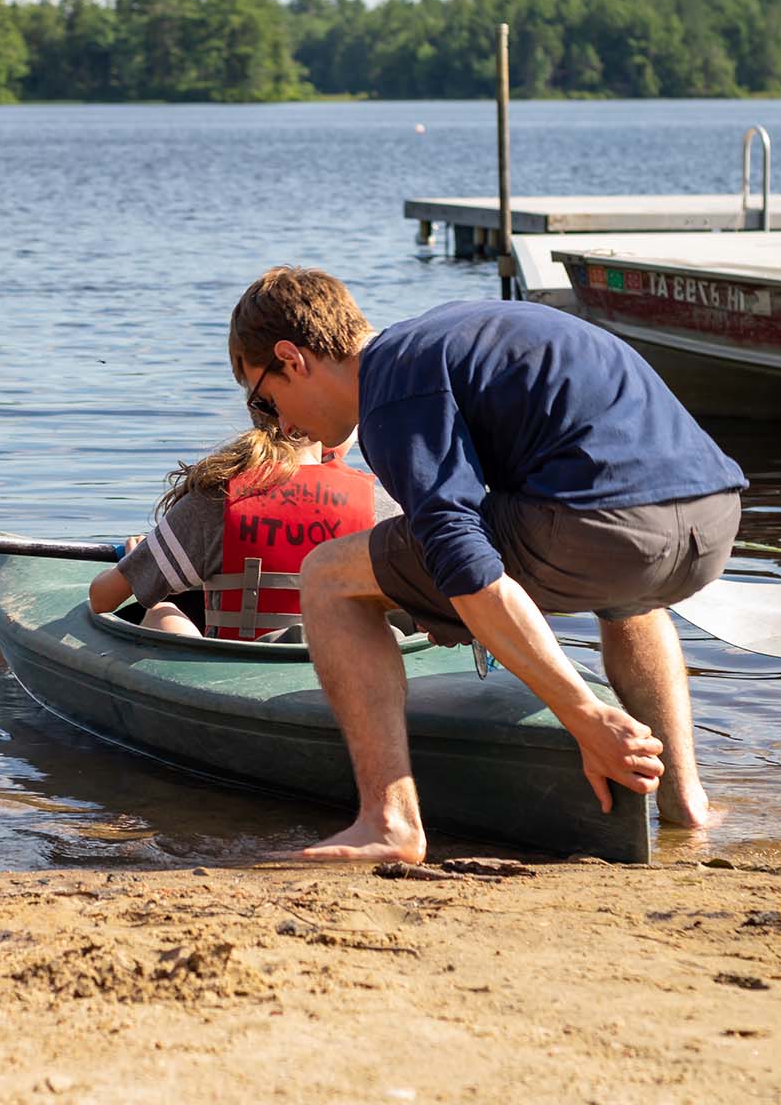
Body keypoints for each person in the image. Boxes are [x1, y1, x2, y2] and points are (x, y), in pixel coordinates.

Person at [228, 266, 747, 863]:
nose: (281, 427)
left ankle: (389, 822)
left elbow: (467, 563)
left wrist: (584, 716)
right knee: (628, 598)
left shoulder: (392, 386)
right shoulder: (454, 333)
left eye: (265, 402)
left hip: (605, 529)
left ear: (292, 358)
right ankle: (687, 806)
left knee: (328, 576)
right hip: (712, 523)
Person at [88, 425, 397, 641]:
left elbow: (102, 599)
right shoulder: (380, 504)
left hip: (239, 670)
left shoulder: (216, 499)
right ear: (332, 432)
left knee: (161, 610)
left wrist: (137, 566)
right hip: (351, 666)